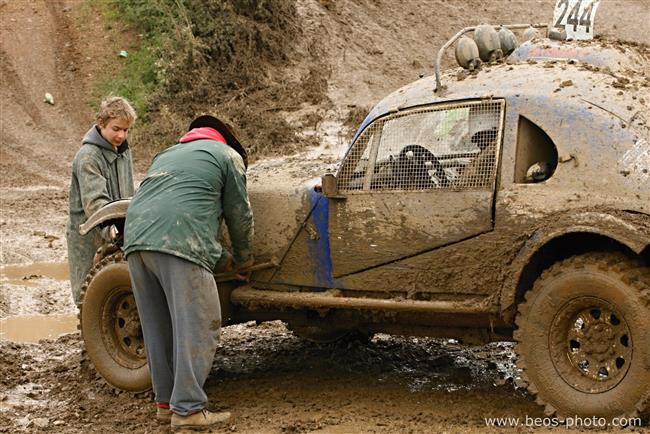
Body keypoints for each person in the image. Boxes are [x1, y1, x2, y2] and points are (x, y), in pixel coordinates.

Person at [123, 115, 254, 430]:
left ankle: (166, 403)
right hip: (179, 241)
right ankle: (189, 410)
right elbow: (239, 214)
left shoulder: (166, 154)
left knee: (158, 327)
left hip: (136, 241)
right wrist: (244, 259)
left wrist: (222, 260)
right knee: (199, 325)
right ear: (227, 141)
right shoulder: (227, 157)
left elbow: (175, 204)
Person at [66, 96, 136, 305]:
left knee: (116, 292)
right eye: (116, 129)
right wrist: (111, 230)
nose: (121, 135)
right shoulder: (88, 156)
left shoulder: (124, 152)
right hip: (89, 234)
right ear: (101, 123)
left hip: (116, 229)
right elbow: (95, 203)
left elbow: (128, 194)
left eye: (126, 130)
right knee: (89, 297)